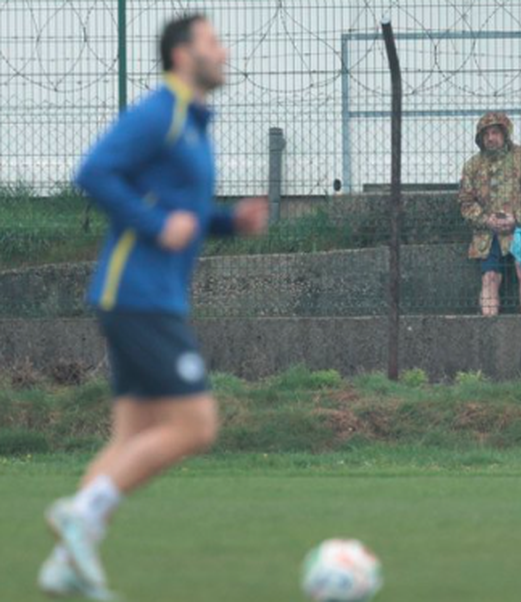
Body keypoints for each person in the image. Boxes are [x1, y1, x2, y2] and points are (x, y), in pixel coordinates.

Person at [37, 14, 269, 600]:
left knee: (130, 438)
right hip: (138, 295)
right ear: (183, 55)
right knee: (195, 425)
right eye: (215, 41)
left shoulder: (191, 124)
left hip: (150, 295)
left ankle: (69, 563)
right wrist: (155, 223)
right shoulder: (159, 112)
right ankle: (81, 512)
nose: (225, 50)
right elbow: (93, 173)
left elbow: (180, 213)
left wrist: (228, 223)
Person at [458, 112, 521, 316]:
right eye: (486, 134)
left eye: (495, 133)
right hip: (488, 235)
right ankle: (490, 326)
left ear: (505, 134)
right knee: (490, 276)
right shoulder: (473, 165)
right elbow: (465, 202)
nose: (491, 138)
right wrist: (485, 220)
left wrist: (518, 218)